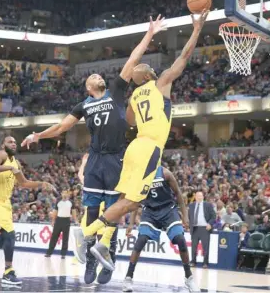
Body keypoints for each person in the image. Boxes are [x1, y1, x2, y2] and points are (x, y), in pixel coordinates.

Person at [21, 15, 166, 285]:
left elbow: (132, 60)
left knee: (113, 210)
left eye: (98, 74)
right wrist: (38, 134)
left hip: (116, 158)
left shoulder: (115, 91)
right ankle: (89, 259)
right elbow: (62, 127)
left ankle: (108, 259)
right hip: (96, 159)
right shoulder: (83, 105)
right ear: (88, 88)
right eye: (93, 76)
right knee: (90, 210)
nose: (98, 75)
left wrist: (150, 34)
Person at [73, 9, 209, 272]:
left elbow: (130, 122)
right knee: (132, 201)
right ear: (149, 76)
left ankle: (99, 242)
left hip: (134, 147)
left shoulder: (135, 95)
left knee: (129, 199)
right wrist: (197, 29)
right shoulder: (161, 83)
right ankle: (88, 234)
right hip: (150, 148)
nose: (156, 70)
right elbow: (184, 56)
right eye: (152, 70)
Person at [0, 136, 54, 286]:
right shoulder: (1, 155)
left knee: (6, 237)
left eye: (14, 142)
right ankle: (8, 271)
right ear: (2, 144)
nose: (13, 144)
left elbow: (24, 183)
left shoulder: (16, 162)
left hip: (5, 204)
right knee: (9, 236)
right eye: (10, 142)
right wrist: (9, 168)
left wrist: (41, 183)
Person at [123, 166, 198, 292]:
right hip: (150, 212)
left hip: (168, 210)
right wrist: (131, 223)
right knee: (141, 240)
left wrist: (185, 216)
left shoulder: (165, 173)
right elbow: (136, 201)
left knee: (180, 239)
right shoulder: (139, 175)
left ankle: (188, 277)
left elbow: (178, 194)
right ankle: (128, 277)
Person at [45, 190, 77, 258]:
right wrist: (53, 220)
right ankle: (49, 253)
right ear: (61, 194)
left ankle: (63, 254)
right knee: (54, 237)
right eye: (63, 193)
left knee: (65, 238)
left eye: (66, 193)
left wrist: (76, 220)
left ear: (68, 194)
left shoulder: (71, 202)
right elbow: (55, 211)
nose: (64, 194)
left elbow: (73, 212)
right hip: (59, 220)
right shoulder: (58, 201)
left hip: (67, 220)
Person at [188, 191, 216, 268]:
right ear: (195, 197)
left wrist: (210, 224)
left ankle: (205, 263)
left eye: (200, 196)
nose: (199, 197)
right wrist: (189, 226)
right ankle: (193, 261)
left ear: (203, 197)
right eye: (197, 196)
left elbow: (213, 216)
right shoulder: (191, 205)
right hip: (195, 228)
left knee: (205, 247)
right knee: (193, 247)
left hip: (205, 228)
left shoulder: (208, 205)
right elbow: (189, 217)